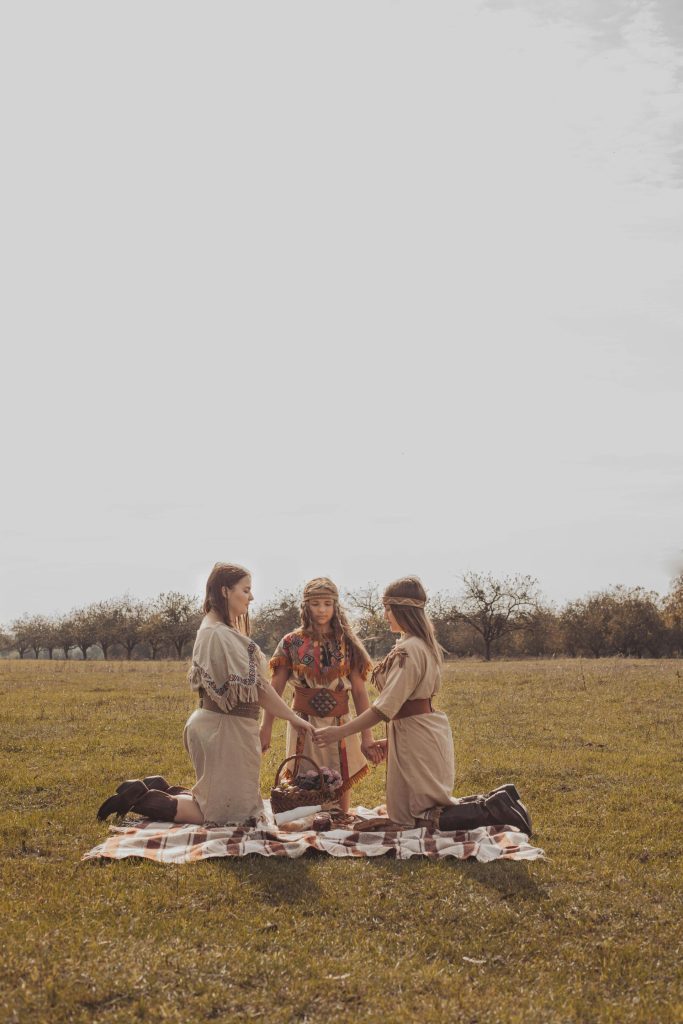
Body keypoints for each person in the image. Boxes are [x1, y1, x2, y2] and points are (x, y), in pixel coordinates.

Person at [96, 563, 314, 826]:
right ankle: (140, 797)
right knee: (228, 815)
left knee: (225, 803)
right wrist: (295, 718)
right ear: (225, 591)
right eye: (246, 590)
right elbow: (258, 689)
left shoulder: (216, 629)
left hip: (221, 725)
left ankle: (160, 789)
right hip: (224, 729)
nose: (251, 597)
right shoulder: (218, 633)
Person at [314, 575, 532, 833]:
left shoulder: (412, 649)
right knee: (417, 810)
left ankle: (496, 810)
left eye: (388, 609)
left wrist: (339, 732)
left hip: (417, 731)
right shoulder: (416, 644)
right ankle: (499, 800)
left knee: (422, 816)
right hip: (415, 729)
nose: (385, 615)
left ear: (401, 610)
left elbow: (383, 709)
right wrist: (392, 741)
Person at [261, 577, 382, 813]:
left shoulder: (348, 644)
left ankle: (339, 819)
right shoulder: (291, 643)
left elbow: (358, 692)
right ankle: (306, 820)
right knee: (304, 778)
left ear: (336, 606)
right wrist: (265, 727)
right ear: (306, 606)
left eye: (328, 603)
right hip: (303, 723)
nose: (322, 610)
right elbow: (274, 689)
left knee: (340, 778)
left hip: (341, 723)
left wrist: (367, 737)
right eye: (316, 604)